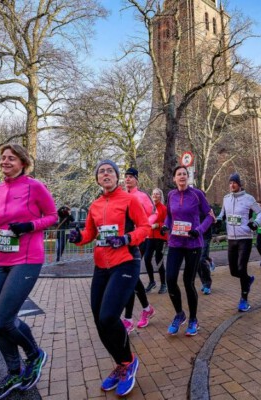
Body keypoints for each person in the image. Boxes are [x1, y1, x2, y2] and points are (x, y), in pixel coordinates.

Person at [0, 144, 58, 400]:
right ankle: (14, 371)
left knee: (5, 318)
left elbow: (51, 216)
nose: (5, 161)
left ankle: (35, 354)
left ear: (23, 162)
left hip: (27, 259)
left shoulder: (35, 186)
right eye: (3, 158)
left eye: (11, 158)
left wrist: (30, 224)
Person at [67, 160, 150, 397]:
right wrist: (77, 237)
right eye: (101, 171)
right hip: (101, 266)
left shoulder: (130, 200)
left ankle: (129, 360)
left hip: (125, 262)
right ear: (97, 178)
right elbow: (90, 234)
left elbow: (145, 227)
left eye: (110, 171)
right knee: (98, 320)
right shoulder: (94, 205)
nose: (106, 174)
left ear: (116, 177)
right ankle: (121, 364)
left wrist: (126, 239)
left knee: (109, 316)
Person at [161, 166, 214, 335]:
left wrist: (198, 230)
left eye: (185, 174)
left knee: (188, 282)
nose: (182, 176)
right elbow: (169, 215)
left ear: (188, 178)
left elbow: (210, 216)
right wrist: (165, 225)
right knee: (170, 279)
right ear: (174, 179)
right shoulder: (171, 195)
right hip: (175, 243)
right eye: (179, 174)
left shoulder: (197, 194)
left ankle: (193, 319)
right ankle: (179, 314)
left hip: (193, 244)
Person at [217, 173, 261, 312]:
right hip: (231, 239)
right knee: (233, 271)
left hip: (245, 238)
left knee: (241, 268)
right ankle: (248, 279)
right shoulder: (226, 199)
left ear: (239, 184)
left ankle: (244, 299)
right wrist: (217, 219)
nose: (232, 185)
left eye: (234, 182)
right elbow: (222, 214)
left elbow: (260, 213)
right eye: (230, 183)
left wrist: (256, 223)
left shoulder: (249, 198)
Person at [122, 167, 156, 332]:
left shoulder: (142, 196)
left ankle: (128, 319)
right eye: (126, 177)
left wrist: (143, 225)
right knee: (132, 278)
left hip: (139, 240)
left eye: (130, 177)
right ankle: (146, 309)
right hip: (126, 241)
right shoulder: (121, 196)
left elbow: (153, 214)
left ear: (136, 179)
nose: (127, 179)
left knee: (129, 278)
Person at [145, 188, 168, 295]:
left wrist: (158, 225)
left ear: (161, 196)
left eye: (157, 194)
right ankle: (152, 281)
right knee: (147, 258)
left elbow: (167, 222)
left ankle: (164, 283)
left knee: (159, 261)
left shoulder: (164, 208)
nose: (155, 195)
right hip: (150, 237)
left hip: (160, 238)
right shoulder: (149, 208)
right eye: (153, 194)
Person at [197, 219, 215, 295]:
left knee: (201, 259)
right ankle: (204, 282)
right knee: (197, 260)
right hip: (195, 236)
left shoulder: (207, 208)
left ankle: (207, 284)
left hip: (205, 236)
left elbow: (213, 220)